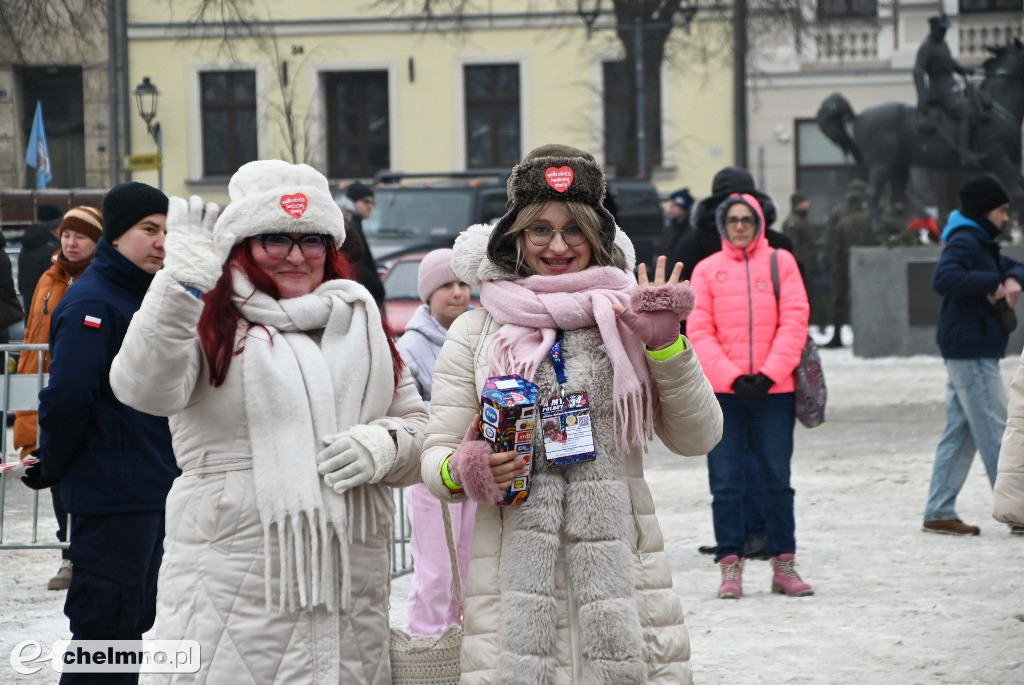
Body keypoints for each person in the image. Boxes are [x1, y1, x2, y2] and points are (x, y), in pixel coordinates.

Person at [108, 160, 427, 683]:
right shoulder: (208, 318)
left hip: (349, 597)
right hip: (231, 592)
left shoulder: (360, 322)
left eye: (313, 241)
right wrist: (177, 287)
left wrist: (386, 446)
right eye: (275, 239)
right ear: (243, 245)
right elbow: (142, 388)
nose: (297, 255)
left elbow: (418, 426)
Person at [419, 143, 723, 684]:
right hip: (511, 590)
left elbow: (700, 436)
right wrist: (467, 469)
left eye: (575, 228)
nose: (557, 245)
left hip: (625, 584)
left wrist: (666, 348)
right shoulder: (477, 330)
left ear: (599, 235)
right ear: (515, 235)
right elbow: (435, 458)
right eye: (540, 229)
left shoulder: (631, 316)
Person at [20, 182, 175, 685]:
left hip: (145, 489)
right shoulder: (95, 302)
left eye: (167, 231)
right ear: (116, 234)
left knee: (127, 626)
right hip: (112, 494)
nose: (161, 242)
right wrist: (54, 464)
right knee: (103, 632)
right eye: (148, 230)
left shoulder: (138, 295)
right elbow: (66, 398)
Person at [687, 192, 814, 600]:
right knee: (726, 483)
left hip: (774, 393)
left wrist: (769, 374)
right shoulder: (706, 270)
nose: (740, 226)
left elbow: (795, 321)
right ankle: (730, 566)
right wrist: (733, 376)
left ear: (759, 224)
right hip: (725, 395)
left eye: (748, 220)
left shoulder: (781, 262)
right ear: (724, 225)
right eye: (733, 220)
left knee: (778, 480)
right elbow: (699, 330)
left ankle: (784, 565)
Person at [680, 166, 791, 559]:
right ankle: (755, 533)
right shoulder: (779, 243)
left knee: (727, 464)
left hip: (716, 371)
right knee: (761, 463)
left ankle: (739, 533)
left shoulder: (694, 242)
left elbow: (682, 310)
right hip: (748, 375)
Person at [923, 175, 1023, 536]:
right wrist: (992, 283)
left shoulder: (978, 239)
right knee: (996, 429)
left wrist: (1012, 278)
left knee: (961, 432)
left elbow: (1009, 265)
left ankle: (938, 510)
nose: (1005, 218)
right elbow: (943, 278)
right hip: (971, 348)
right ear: (985, 210)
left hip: (967, 346)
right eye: (1001, 211)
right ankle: (1017, 510)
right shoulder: (965, 240)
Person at [13, 205, 102, 591]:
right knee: (56, 474)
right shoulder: (48, 279)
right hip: (49, 392)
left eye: (80, 235)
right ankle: (69, 556)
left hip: (92, 396)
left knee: (91, 476)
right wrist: (27, 413)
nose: (71, 241)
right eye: (66, 234)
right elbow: (33, 346)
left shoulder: (103, 280)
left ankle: (94, 556)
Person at [398, 247, 476, 636]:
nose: (458, 293)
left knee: (469, 561)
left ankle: (460, 640)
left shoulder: (478, 335)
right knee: (435, 566)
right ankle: (426, 642)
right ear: (428, 294)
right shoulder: (410, 346)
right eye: (447, 285)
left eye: (463, 283)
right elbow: (405, 408)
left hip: (475, 466)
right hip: (432, 472)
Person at [913, 13, 981, 167]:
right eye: (942, 29)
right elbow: (918, 72)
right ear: (933, 28)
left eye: (945, 30)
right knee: (965, 112)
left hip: (951, 86)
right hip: (939, 91)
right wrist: (922, 98)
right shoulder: (926, 48)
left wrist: (964, 70)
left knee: (975, 103)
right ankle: (964, 153)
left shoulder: (942, 44)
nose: (944, 32)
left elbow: (950, 63)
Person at [824, 179, 877, 348]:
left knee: (847, 298)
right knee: (843, 298)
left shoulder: (864, 213)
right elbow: (832, 238)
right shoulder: (853, 213)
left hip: (855, 261)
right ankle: (840, 334)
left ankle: (844, 335)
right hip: (850, 261)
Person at [337, 180, 386, 306]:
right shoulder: (348, 227)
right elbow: (355, 264)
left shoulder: (354, 224)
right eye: (366, 201)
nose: (370, 206)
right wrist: (375, 288)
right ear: (352, 201)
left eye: (372, 203)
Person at [18, 203, 63, 312]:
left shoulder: (29, 244)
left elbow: (22, 285)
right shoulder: (55, 249)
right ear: (55, 228)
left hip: (30, 307)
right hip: (49, 310)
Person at [782, 191, 818, 326]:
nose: (808, 204)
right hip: (800, 270)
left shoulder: (803, 221)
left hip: (807, 268)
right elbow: (793, 247)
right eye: (804, 201)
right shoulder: (794, 223)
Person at [661, 186, 694, 261]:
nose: (670, 210)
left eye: (674, 206)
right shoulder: (669, 229)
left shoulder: (693, 232)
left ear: (683, 208)